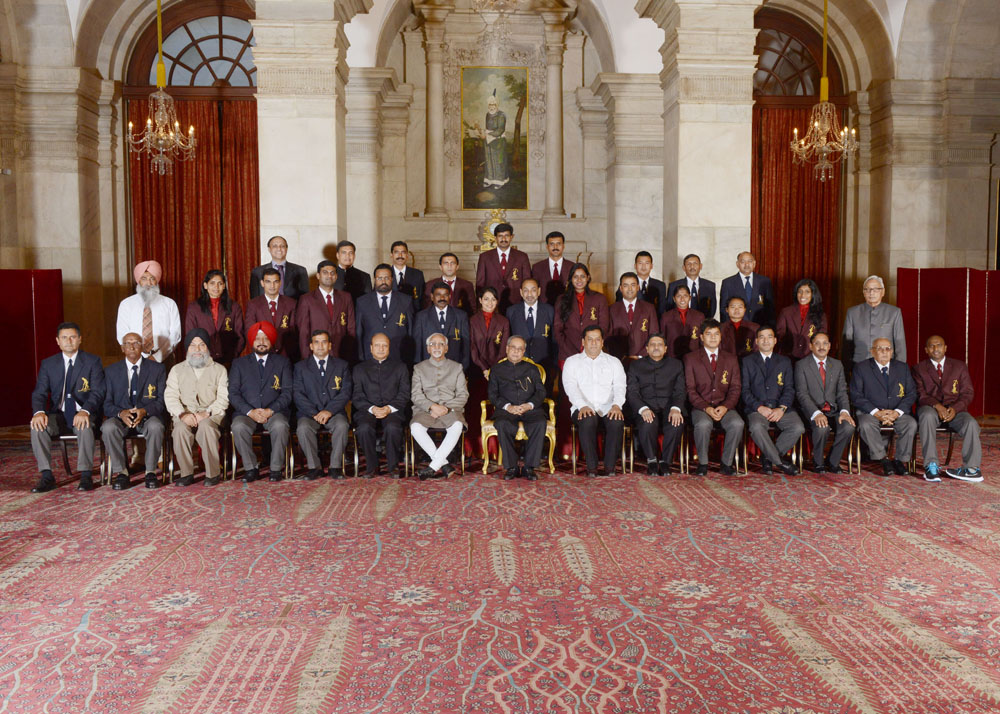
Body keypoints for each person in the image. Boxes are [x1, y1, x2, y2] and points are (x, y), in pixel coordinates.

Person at [29, 322, 106, 493]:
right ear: (57, 341)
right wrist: (39, 412)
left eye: (72, 337)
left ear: (79, 339)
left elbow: (98, 392)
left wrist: (85, 411)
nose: (68, 341)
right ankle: (46, 475)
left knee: (84, 425)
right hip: (59, 414)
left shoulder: (92, 361)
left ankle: (85, 474)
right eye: (64, 338)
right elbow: (39, 392)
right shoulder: (49, 364)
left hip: (85, 412)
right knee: (37, 427)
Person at [101, 332, 167, 490]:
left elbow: (161, 400)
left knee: (156, 427)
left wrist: (144, 411)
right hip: (121, 417)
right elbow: (106, 403)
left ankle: (150, 471)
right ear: (122, 348)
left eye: (136, 343)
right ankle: (121, 473)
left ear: (143, 346)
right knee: (108, 427)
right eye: (127, 343)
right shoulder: (111, 371)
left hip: (147, 415)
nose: (132, 346)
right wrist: (121, 413)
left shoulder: (157, 369)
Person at [229, 322, 293, 483]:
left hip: (274, 412)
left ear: (271, 341)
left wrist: (270, 410)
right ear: (252, 341)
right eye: (258, 338)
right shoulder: (239, 364)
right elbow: (233, 394)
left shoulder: (282, 363)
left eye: (266, 338)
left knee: (280, 426)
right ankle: (251, 468)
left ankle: (276, 469)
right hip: (247, 413)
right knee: (238, 426)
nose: (262, 342)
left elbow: (287, 393)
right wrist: (251, 412)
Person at [164, 329, 229, 487]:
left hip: (211, 415)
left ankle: (212, 473)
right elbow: (170, 396)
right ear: (187, 348)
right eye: (193, 345)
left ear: (208, 348)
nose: (197, 349)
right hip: (184, 414)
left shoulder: (219, 370)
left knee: (206, 427)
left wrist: (206, 413)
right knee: (180, 430)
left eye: (202, 345)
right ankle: (186, 473)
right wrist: (182, 414)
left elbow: (223, 398)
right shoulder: (176, 370)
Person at [912, 335, 982, 482]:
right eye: (931, 346)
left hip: (955, 410)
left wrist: (955, 409)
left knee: (971, 423)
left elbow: (968, 393)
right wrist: (937, 406)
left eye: (939, 345)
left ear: (945, 348)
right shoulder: (919, 368)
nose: (935, 348)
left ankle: (971, 469)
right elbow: (920, 394)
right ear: (926, 350)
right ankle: (931, 465)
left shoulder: (959, 366)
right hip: (930, 408)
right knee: (926, 416)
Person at [562, 326, 627, 477]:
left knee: (617, 422)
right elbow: (570, 387)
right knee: (588, 419)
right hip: (582, 406)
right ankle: (592, 467)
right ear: (583, 342)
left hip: (609, 407)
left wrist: (617, 405)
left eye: (597, 339)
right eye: (589, 339)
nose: (593, 343)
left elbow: (620, 386)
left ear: (602, 342)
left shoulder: (614, 362)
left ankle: (610, 467)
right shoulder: (572, 362)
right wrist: (582, 405)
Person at [849, 337, 917, 476]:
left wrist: (896, 412)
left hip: (896, 412)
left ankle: (899, 460)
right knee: (865, 424)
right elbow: (856, 395)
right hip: (871, 412)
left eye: (888, 349)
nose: (884, 352)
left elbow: (911, 394)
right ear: (872, 352)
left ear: (892, 352)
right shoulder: (861, 368)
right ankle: (883, 459)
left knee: (910, 424)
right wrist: (876, 412)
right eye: (880, 349)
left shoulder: (902, 368)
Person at [741, 327, 804, 475]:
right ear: (756, 341)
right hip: (757, 408)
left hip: (780, 407)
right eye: (761, 337)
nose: (765, 340)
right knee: (756, 427)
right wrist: (758, 407)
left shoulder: (785, 361)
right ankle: (780, 463)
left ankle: (768, 458)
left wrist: (781, 408)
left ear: (775, 341)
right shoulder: (747, 361)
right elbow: (744, 390)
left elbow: (789, 388)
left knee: (798, 427)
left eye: (769, 337)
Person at [684, 319, 743, 475]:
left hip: (725, 406)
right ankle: (703, 463)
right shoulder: (691, 358)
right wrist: (706, 408)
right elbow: (690, 390)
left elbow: (735, 388)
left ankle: (726, 463)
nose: (713, 337)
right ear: (701, 337)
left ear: (721, 336)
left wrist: (725, 407)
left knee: (737, 423)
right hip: (701, 407)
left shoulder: (731, 358)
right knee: (703, 425)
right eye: (708, 334)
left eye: (716, 334)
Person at [294, 330, 352, 480]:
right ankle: (314, 468)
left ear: (330, 345)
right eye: (317, 342)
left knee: (342, 425)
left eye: (324, 342)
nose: (320, 345)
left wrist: (329, 411)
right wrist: (314, 413)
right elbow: (298, 394)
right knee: (303, 428)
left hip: (334, 412)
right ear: (311, 346)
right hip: (309, 414)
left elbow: (345, 392)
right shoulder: (300, 367)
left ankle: (335, 467)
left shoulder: (342, 365)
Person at [794, 331, 855, 474]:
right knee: (822, 428)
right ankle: (818, 461)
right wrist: (816, 413)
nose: (821, 347)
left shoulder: (837, 364)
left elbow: (841, 392)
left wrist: (845, 412)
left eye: (825, 343)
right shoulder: (801, 365)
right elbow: (801, 394)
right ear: (810, 346)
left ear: (829, 346)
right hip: (811, 411)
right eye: (817, 343)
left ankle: (833, 461)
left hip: (833, 411)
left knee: (848, 427)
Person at [488, 336, 547, 481]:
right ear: (507, 349)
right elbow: (492, 395)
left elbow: (541, 392)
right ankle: (511, 467)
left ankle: (529, 467)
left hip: (530, 409)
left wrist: (529, 405)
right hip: (507, 410)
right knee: (502, 424)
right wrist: (508, 407)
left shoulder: (532, 369)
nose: (516, 351)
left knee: (539, 423)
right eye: (513, 348)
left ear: (524, 351)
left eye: (520, 349)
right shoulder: (496, 370)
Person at [411, 333, 469, 480]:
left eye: (440, 344)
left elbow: (463, 395)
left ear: (446, 348)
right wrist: (431, 407)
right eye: (433, 344)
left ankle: (432, 467)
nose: (437, 347)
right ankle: (443, 465)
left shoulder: (457, 367)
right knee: (415, 428)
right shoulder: (419, 368)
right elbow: (416, 395)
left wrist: (445, 408)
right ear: (428, 349)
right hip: (426, 410)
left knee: (457, 426)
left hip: (451, 410)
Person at [625, 333, 685, 476]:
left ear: (665, 348)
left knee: (676, 423)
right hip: (646, 407)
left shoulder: (676, 365)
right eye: (652, 345)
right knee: (648, 423)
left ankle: (665, 461)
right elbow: (632, 392)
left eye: (659, 345)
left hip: (669, 407)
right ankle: (652, 460)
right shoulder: (635, 366)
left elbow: (680, 391)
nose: (656, 347)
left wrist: (676, 408)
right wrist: (642, 408)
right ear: (646, 348)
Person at [353, 333, 410, 478]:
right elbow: (357, 396)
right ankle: (372, 467)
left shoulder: (400, 367)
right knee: (364, 428)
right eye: (377, 345)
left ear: (389, 348)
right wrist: (372, 409)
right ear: (371, 348)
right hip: (367, 410)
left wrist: (388, 408)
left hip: (392, 410)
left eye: (384, 345)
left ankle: (393, 467)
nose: (381, 348)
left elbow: (404, 394)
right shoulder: (359, 369)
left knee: (392, 427)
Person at [115, 260, 182, 363]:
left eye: (152, 279)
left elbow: (175, 334)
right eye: (144, 278)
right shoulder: (126, 304)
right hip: (134, 359)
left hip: (164, 360)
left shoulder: (169, 304)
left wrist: (157, 357)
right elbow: (122, 334)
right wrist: (136, 355)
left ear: (157, 281)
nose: (148, 283)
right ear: (138, 281)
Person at [296, 260, 356, 361]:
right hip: (316, 355)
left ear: (336, 276)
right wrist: (306, 359)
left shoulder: (346, 297)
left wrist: (349, 355)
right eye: (325, 272)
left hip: (341, 355)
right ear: (318, 275)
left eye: (332, 273)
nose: (329, 276)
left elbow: (351, 329)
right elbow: (303, 332)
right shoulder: (306, 299)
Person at [842, 275, 906, 369]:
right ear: (863, 292)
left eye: (876, 289)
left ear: (883, 292)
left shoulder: (894, 312)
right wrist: (847, 369)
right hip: (859, 365)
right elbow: (846, 345)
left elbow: (900, 343)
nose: (871, 293)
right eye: (867, 289)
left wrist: (900, 369)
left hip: (886, 366)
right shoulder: (852, 312)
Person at [184, 270, 245, 365]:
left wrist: (233, 356)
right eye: (212, 283)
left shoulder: (234, 307)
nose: (216, 287)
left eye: (220, 283)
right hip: (202, 360)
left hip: (229, 361)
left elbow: (240, 336)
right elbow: (190, 335)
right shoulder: (194, 307)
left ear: (224, 286)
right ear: (205, 286)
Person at [356, 264, 415, 363]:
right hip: (370, 357)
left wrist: (409, 356)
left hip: (399, 356)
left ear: (392, 279)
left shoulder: (406, 300)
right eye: (380, 278)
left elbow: (411, 331)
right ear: (374, 279)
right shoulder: (362, 301)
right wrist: (361, 356)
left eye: (387, 278)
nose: (383, 282)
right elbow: (359, 332)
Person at [554, 263, 609, 363]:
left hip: (593, 353)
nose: (579, 280)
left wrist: (591, 348)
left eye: (582, 276)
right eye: (575, 277)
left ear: (588, 278)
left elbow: (604, 327)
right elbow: (557, 329)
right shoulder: (561, 299)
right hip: (567, 353)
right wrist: (569, 349)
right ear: (570, 279)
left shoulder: (599, 298)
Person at [413, 283, 471, 370]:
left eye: (445, 295)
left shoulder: (461, 316)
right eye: (438, 295)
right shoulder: (421, 317)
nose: (442, 298)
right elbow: (417, 347)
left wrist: (463, 369)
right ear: (432, 297)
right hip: (428, 369)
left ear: (450, 296)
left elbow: (466, 346)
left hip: (453, 368)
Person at [244, 267, 298, 360]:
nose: (272, 286)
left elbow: (294, 331)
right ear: (262, 283)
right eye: (268, 282)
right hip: (262, 354)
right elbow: (250, 331)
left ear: (280, 283)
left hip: (286, 355)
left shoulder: (291, 303)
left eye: (275, 282)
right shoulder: (253, 304)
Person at [476, 222, 532, 312]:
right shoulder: (485, 257)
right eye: (500, 236)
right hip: (492, 304)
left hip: (516, 303)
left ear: (512, 237)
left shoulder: (522, 257)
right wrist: (482, 305)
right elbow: (480, 284)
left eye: (506, 235)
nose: (503, 239)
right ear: (495, 238)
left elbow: (527, 281)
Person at [608, 272, 658, 361]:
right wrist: (622, 357)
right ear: (621, 288)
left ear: (638, 287)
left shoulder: (649, 308)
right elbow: (609, 337)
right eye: (626, 285)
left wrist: (640, 355)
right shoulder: (612, 309)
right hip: (619, 360)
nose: (630, 289)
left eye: (633, 285)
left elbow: (654, 335)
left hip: (644, 360)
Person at [506, 278, 555, 366]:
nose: (529, 294)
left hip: (544, 362)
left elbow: (554, 339)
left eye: (533, 290)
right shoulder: (511, 311)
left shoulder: (549, 310)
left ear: (539, 291)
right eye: (525, 290)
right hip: (519, 363)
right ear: (521, 292)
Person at [776, 279, 828, 360]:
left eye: (807, 292)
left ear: (813, 294)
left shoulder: (821, 315)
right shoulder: (786, 312)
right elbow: (779, 334)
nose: (803, 295)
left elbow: (822, 338)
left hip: (810, 357)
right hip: (788, 357)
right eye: (800, 291)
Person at [719, 252, 775, 326]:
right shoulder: (728, 282)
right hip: (736, 327)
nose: (747, 264)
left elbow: (770, 308)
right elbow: (723, 309)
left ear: (754, 263)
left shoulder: (765, 281)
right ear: (737, 264)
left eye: (750, 261)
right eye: (743, 262)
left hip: (760, 327)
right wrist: (726, 328)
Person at [249, 235, 309, 300]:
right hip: (266, 309)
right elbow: (254, 299)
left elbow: (305, 299)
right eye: (275, 246)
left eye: (282, 246)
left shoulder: (300, 271)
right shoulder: (257, 272)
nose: (279, 249)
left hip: (293, 309)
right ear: (269, 249)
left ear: (286, 249)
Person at [470, 287, 510, 379]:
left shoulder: (504, 321)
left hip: (498, 368)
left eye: (493, 299)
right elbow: (472, 347)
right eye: (486, 299)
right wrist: (484, 368)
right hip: (477, 367)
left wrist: (494, 369)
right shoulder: (472, 320)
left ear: (497, 301)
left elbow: (503, 348)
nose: (490, 303)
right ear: (480, 300)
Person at [659, 284, 703, 360]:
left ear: (690, 298)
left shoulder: (699, 316)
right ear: (674, 299)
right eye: (679, 296)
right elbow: (662, 339)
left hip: (694, 357)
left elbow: (702, 340)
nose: (682, 299)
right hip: (672, 358)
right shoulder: (666, 316)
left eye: (685, 296)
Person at [666, 253, 716, 319]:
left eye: (695, 263)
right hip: (680, 323)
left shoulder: (710, 285)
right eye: (689, 264)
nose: (692, 266)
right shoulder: (674, 285)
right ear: (684, 268)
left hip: (703, 324)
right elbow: (669, 307)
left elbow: (712, 308)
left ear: (700, 266)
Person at [531, 231, 571, 305]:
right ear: (547, 246)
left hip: (567, 310)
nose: (555, 247)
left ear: (563, 246)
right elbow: (534, 291)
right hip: (544, 310)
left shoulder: (572, 267)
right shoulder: (537, 267)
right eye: (552, 244)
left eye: (558, 244)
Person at [481, 93, 508, 188]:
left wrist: (488, 134)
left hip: (498, 141)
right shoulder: (487, 114)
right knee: (488, 160)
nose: (491, 107)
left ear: (497, 105)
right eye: (490, 105)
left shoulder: (501, 115)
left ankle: (499, 181)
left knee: (498, 161)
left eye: (493, 104)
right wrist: (483, 133)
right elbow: (487, 127)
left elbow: (501, 130)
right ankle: (489, 179)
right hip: (488, 141)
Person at [390, 241, 425, 307]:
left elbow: (422, 299)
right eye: (396, 252)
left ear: (407, 255)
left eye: (403, 252)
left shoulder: (418, 275)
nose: (400, 256)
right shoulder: (385, 274)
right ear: (391, 255)